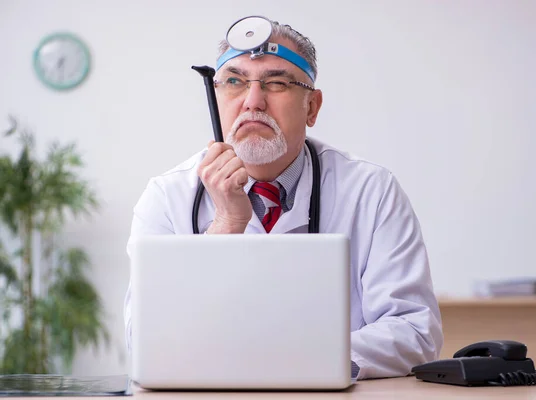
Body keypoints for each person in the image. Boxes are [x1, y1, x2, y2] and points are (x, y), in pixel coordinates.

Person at [123, 15, 443, 380]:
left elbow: (414, 333)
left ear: (312, 107)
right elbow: (144, 343)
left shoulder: (372, 191)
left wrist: (292, 360)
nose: (252, 102)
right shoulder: (166, 197)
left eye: (276, 83)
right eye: (234, 82)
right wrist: (226, 226)